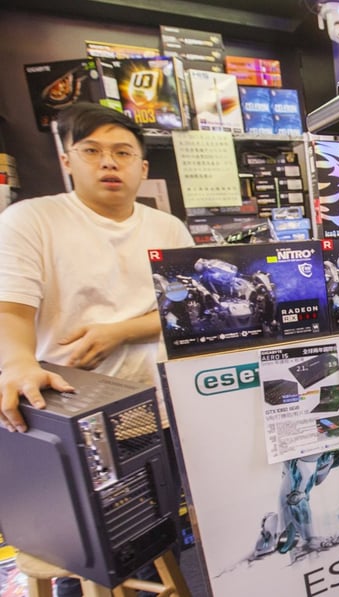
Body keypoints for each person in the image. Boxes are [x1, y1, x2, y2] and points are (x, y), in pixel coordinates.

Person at [0, 103, 194, 596]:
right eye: (92, 151)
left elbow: (186, 315)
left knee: (149, 536)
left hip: (156, 410)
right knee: (83, 553)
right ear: (67, 160)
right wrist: (18, 362)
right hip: (73, 416)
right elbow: (11, 310)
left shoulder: (167, 228)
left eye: (122, 152)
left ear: (142, 167)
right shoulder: (30, 221)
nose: (109, 163)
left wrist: (119, 331)